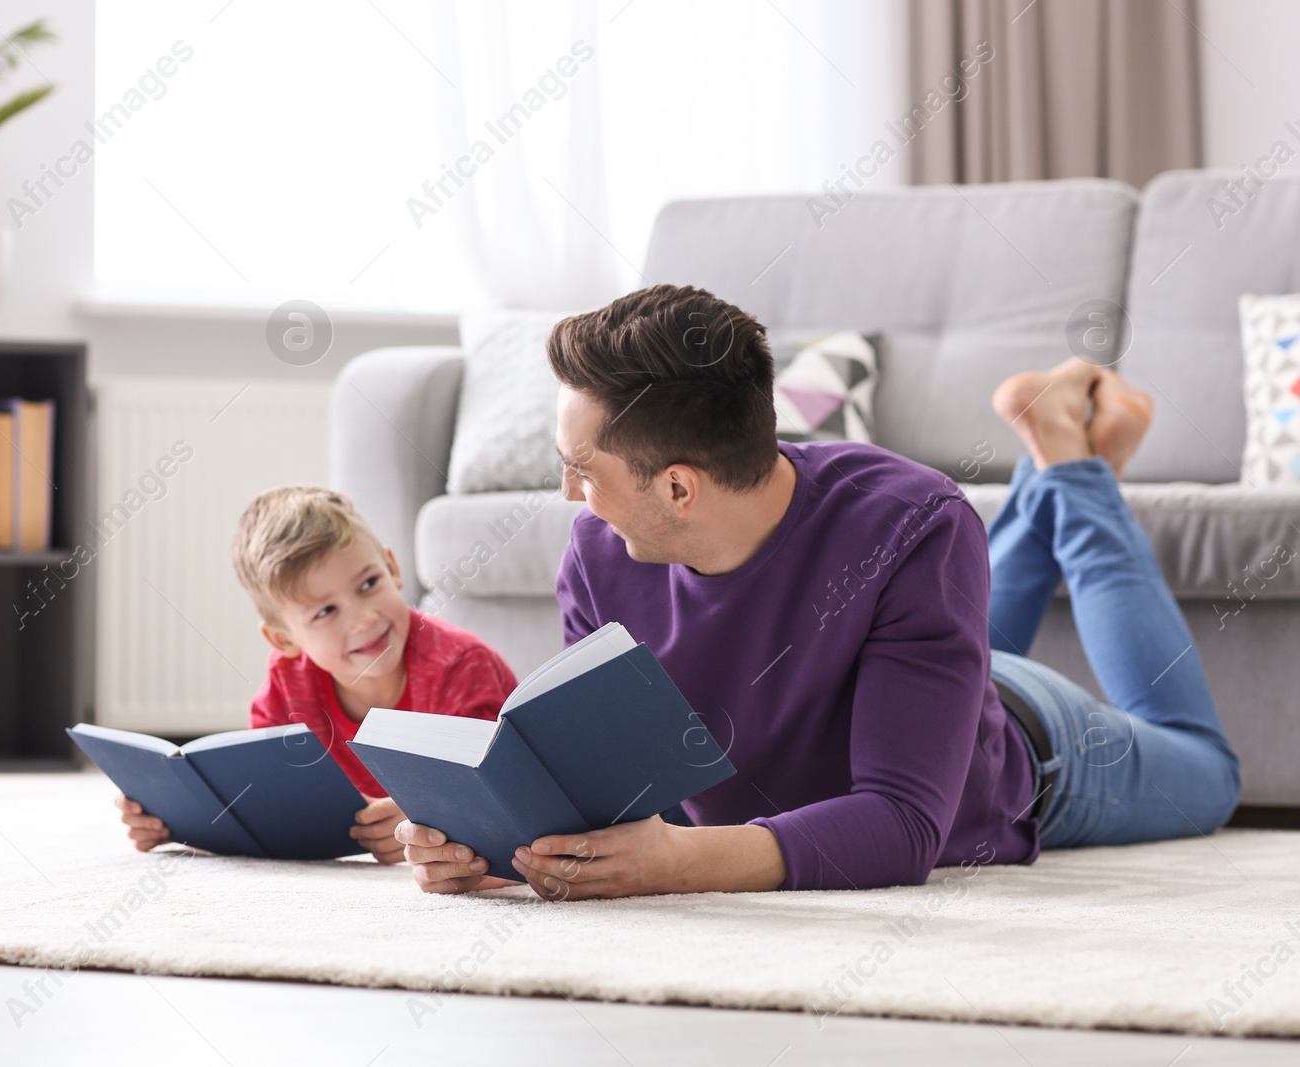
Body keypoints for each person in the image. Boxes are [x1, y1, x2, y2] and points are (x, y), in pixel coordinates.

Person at [395, 284, 1242, 897]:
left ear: (680, 487)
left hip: (1029, 745)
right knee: (956, 642)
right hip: (932, 672)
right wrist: (477, 840)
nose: (571, 494)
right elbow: (605, 788)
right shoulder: (600, 551)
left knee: (1206, 771)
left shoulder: (915, 522)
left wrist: (678, 863)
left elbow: (905, 826)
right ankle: (1056, 457)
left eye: (581, 470)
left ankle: (1075, 467)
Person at [116, 485, 518, 862]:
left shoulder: (461, 667)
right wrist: (176, 824)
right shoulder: (287, 685)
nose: (363, 620)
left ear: (393, 569)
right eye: (325, 612)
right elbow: (262, 807)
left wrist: (432, 822)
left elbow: (498, 804)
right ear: (283, 638)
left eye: (368, 583)